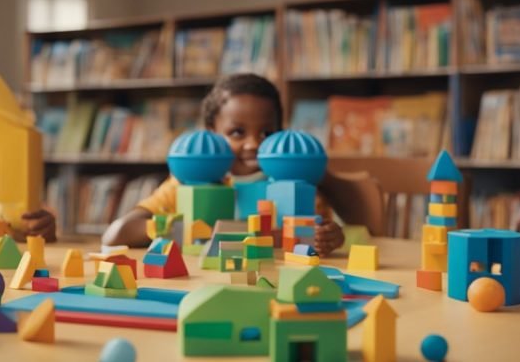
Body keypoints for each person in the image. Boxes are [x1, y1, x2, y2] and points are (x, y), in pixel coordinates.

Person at [100, 73, 344, 255]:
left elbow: (321, 236)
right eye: (237, 132)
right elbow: (116, 234)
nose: (253, 144)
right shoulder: (183, 184)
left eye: (267, 133)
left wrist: (331, 238)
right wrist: (180, 230)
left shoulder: (295, 187)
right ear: (211, 134)